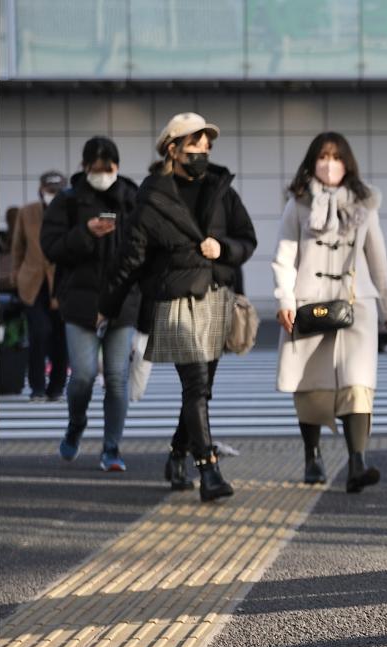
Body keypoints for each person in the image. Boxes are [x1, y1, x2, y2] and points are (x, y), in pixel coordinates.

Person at [102, 112, 258, 501]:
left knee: (202, 390)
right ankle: (208, 469)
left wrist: (223, 249)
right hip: (174, 300)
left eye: (206, 145)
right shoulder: (152, 199)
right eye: (194, 145)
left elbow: (247, 239)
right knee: (197, 384)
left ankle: (176, 455)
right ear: (173, 149)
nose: (202, 152)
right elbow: (130, 260)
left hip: (216, 295)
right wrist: (108, 306)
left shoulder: (221, 188)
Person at [273, 132, 387, 493]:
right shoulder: (297, 203)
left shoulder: (365, 204)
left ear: (348, 164)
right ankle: (312, 456)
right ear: (313, 162)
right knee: (311, 385)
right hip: (306, 304)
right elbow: (283, 257)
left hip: (356, 303)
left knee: (357, 385)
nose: (330, 165)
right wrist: (284, 300)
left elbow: (378, 260)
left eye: (337, 158)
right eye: (323, 157)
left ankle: (357, 462)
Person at [39, 137, 141, 469]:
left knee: (116, 375)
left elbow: (144, 247)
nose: (102, 174)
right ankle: (76, 425)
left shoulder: (132, 198)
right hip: (79, 301)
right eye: (96, 169)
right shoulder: (67, 202)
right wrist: (85, 233)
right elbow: (51, 247)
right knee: (81, 375)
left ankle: (112, 448)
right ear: (84, 168)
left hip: (122, 300)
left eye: (108, 168)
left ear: (117, 167)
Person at [11, 171, 68, 402]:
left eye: (57, 191)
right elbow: (18, 247)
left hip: (62, 283)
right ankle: (36, 387)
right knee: (39, 332)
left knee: (60, 337)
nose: (52, 195)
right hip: (32, 283)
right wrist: (16, 275)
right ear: (41, 189)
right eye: (49, 191)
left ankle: (56, 387)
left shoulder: (71, 211)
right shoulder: (28, 212)